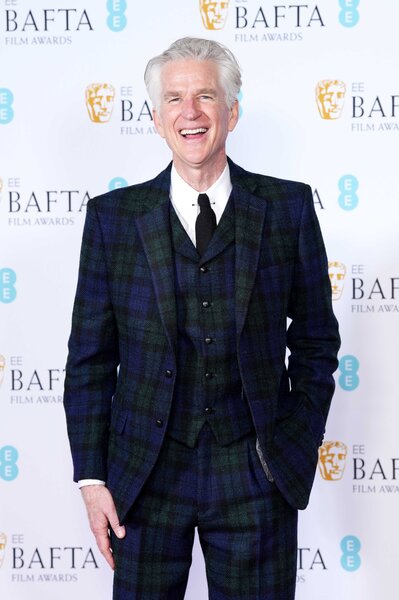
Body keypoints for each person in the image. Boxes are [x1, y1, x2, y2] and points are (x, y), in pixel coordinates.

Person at [64, 37, 340, 599]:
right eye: (174, 99)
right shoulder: (113, 220)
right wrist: (93, 479)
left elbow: (315, 342)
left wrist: (292, 443)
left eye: (205, 96)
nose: (190, 112)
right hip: (143, 474)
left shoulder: (286, 209)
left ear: (232, 111)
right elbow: (89, 361)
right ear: (156, 118)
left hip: (254, 471)